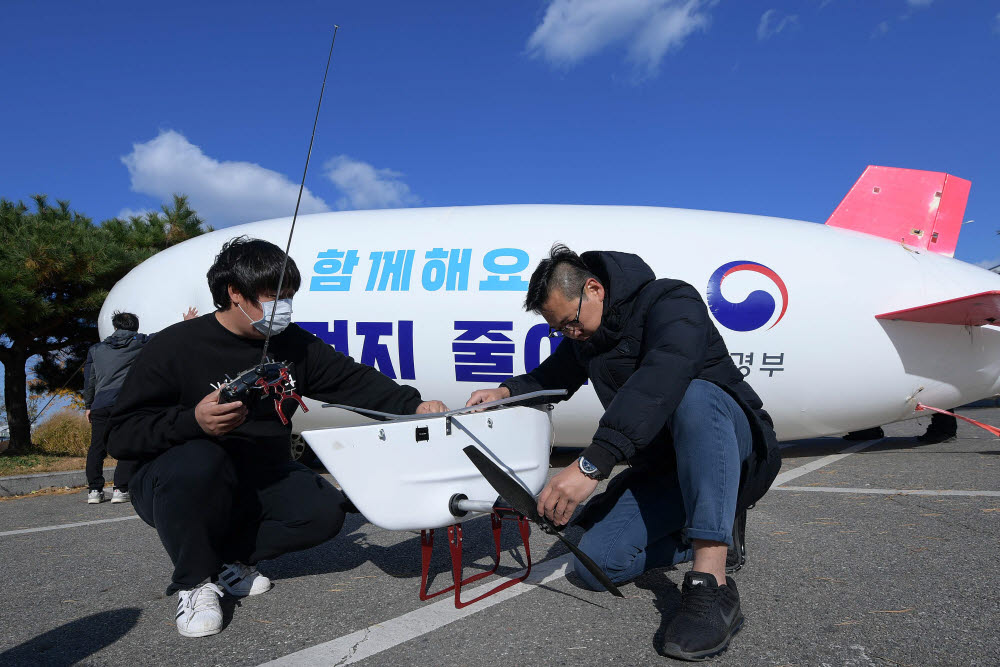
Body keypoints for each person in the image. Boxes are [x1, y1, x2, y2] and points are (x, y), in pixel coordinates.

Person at [106, 237, 447, 639]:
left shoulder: (293, 345)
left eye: (288, 296)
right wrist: (193, 422)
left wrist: (414, 405)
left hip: (259, 474)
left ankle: (228, 562)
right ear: (235, 293)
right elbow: (121, 435)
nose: (283, 307)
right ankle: (194, 582)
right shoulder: (175, 346)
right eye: (273, 296)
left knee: (322, 511)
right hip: (177, 481)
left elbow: (352, 380)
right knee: (200, 462)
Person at [467, 245, 781, 661]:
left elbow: (661, 376)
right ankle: (718, 533)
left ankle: (712, 582)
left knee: (696, 396)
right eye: (559, 329)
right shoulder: (588, 338)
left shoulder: (672, 301)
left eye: (570, 323)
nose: (570, 334)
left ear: (594, 289)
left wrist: (592, 463)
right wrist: (506, 391)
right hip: (665, 469)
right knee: (597, 565)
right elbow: (553, 376)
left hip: (733, 454)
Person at [82, 311, 147, 504]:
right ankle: (120, 488)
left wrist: (88, 405)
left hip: (100, 403)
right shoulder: (140, 342)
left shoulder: (96, 349)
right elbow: (166, 335)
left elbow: (90, 380)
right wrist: (187, 322)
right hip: (125, 401)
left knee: (97, 447)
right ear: (135, 327)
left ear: (115, 327)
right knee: (129, 441)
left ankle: (94, 490)